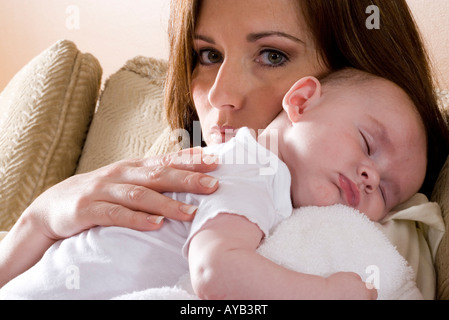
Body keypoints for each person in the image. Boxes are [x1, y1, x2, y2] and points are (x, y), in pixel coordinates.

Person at [0, 0, 447, 294]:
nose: (219, 96)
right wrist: (37, 221)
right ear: (303, 99)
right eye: (208, 56)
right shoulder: (241, 169)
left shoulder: (375, 229)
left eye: (273, 55)